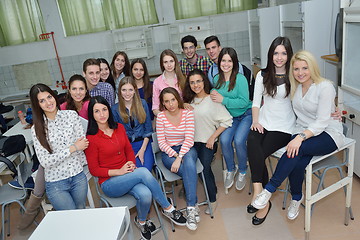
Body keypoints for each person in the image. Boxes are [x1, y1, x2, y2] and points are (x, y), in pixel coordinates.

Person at [252, 50, 345, 222]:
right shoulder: (295, 87)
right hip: (303, 130)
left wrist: (300, 137)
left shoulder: (325, 86)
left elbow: (322, 121)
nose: (300, 73)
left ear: (312, 68)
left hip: (327, 133)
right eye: (296, 69)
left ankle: (269, 190)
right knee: (297, 159)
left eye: (304, 68)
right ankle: (296, 198)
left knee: (295, 148)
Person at [85, 96, 187, 240]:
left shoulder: (119, 128)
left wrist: (131, 163)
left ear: (109, 110)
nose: (102, 114)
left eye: (104, 109)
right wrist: (119, 171)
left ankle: (141, 221)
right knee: (144, 172)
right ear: (92, 114)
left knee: (146, 195)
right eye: (97, 111)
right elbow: (94, 170)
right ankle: (167, 208)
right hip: (109, 182)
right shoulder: (91, 138)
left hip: (128, 175)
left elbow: (128, 150)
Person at [247, 37, 296, 225]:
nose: (279, 57)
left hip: (283, 127)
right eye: (276, 53)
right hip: (263, 121)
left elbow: (308, 96)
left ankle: (262, 200)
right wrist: (255, 120)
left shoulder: (294, 75)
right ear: (271, 54)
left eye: (284, 53)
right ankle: (261, 194)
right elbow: (256, 102)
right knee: (251, 142)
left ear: (289, 55)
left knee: (259, 152)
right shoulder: (262, 75)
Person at [29, 83, 88, 211]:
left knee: (81, 211)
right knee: (69, 217)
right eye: (42, 101)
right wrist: (72, 148)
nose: (48, 102)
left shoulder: (71, 115)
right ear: (37, 104)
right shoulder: (37, 129)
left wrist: (73, 148)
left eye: (49, 97)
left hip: (77, 175)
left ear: (54, 96)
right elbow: (45, 161)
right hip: (56, 182)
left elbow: (82, 144)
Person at [183, 69, 233, 214]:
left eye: (198, 81)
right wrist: (183, 105)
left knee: (204, 169)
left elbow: (227, 120)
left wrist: (213, 137)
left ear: (204, 81)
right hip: (192, 143)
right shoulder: (189, 101)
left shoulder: (213, 99)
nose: (195, 85)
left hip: (207, 142)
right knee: (193, 167)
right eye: (192, 82)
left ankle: (213, 199)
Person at [156, 87, 199, 230]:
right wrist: (175, 156)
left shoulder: (187, 114)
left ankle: (191, 207)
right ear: (163, 103)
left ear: (178, 99)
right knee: (190, 169)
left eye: (173, 100)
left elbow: (189, 139)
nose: (171, 104)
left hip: (187, 149)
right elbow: (162, 143)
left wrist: (180, 157)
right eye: (166, 101)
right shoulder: (161, 117)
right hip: (169, 153)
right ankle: (194, 205)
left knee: (189, 164)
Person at [211, 47, 252, 191]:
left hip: (246, 114)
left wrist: (224, 99)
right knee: (224, 140)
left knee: (239, 140)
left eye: (229, 61)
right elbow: (214, 93)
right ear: (219, 62)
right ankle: (231, 169)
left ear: (234, 63)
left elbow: (244, 101)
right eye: (223, 60)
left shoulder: (240, 79)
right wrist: (213, 93)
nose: (226, 64)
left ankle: (242, 170)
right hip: (230, 118)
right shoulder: (217, 79)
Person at [111, 76, 154, 171]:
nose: (127, 93)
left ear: (135, 90)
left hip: (144, 144)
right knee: (135, 171)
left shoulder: (142, 104)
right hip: (127, 147)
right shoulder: (114, 109)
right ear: (119, 91)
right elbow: (117, 135)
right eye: (124, 90)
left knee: (145, 169)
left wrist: (142, 150)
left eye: (130, 90)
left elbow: (148, 130)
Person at [204, 35, 254, 100]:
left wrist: (224, 100)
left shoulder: (238, 67)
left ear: (219, 48)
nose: (211, 51)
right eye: (208, 49)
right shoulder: (211, 72)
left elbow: (244, 97)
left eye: (213, 47)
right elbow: (215, 90)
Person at [152, 49, 186, 116]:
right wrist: (165, 118)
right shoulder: (157, 82)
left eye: (171, 61)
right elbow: (155, 107)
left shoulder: (183, 78)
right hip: (166, 118)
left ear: (175, 62)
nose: (169, 65)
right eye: (165, 62)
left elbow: (188, 101)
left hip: (182, 116)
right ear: (162, 64)